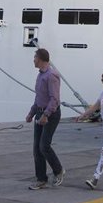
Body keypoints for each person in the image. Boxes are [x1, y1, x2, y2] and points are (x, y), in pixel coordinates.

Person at [26, 48, 65, 190]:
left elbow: (54, 99)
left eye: (35, 57)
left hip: (51, 115)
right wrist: (31, 113)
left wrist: (46, 115)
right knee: (37, 148)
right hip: (40, 112)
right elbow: (39, 98)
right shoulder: (40, 75)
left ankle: (58, 170)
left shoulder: (51, 75)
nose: (33, 60)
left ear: (41, 59)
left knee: (44, 146)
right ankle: (41, 179)